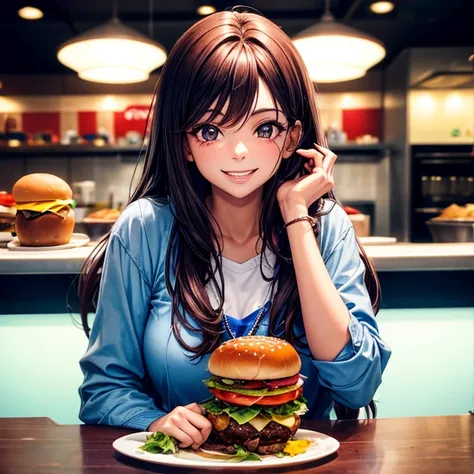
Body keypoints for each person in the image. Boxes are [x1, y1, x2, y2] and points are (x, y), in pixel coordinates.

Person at [78, 7, 391, 452]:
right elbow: (103, 389)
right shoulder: (145, 228)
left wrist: (297, 217)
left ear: (291, 137)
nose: (239, 151)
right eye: (210, 129)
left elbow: (357, 387)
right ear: (183, 141)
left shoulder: (325, 226)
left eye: (263, 126)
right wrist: (155, 421)